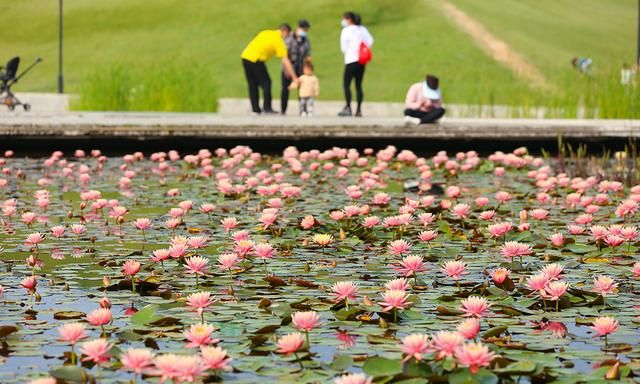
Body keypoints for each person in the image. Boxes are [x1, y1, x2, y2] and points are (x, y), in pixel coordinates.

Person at [241, 24, 299, 114]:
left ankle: (255, 109)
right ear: (285, 32)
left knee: (252, 84)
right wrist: (294, 77)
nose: (286, 38)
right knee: (267, 83)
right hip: (256, 60)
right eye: (287, 35)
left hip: (245, 57)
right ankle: (267, 108)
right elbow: (285, 60)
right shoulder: (279, 41)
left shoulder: (265, 32)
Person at [338, 12, 373, 117]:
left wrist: (350, 50)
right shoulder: (362, 29)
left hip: (350, 60)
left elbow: (343, 48)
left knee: (346, 84)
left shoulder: (346, 30)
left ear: (349, 20)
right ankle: (358, 110)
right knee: (358, 85)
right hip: (361, 61)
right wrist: (362, 48)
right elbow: (370, 41)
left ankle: (348, 107)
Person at [281, 20, 312, 115]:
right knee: (285, 89)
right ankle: (283, 110)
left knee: (302, 89)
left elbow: (308, 55)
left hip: (300, 66)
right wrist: (286, 69)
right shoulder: (289, 38)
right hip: (289, 65)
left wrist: (309, 68)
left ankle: (302, 109)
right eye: (303, 29)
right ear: (298, 27)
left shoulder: (306, 40)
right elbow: (284, 55)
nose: (304, 32)